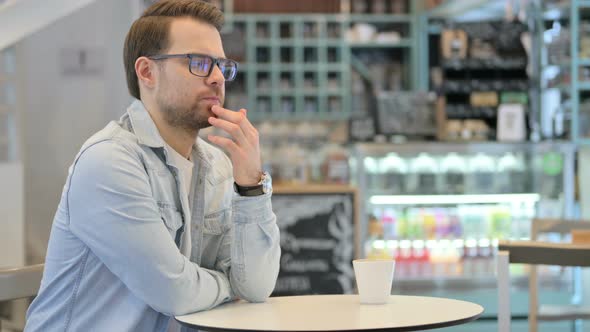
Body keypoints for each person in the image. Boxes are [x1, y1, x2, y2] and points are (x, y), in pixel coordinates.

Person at [25, 0, 280, 330]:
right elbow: (174, 292)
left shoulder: (218, 165)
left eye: (221, 65)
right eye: (200, 63)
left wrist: (250, 187)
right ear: (146, 72)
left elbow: (258, 287)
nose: (218, 78)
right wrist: (230, 286)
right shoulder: (109, 162)